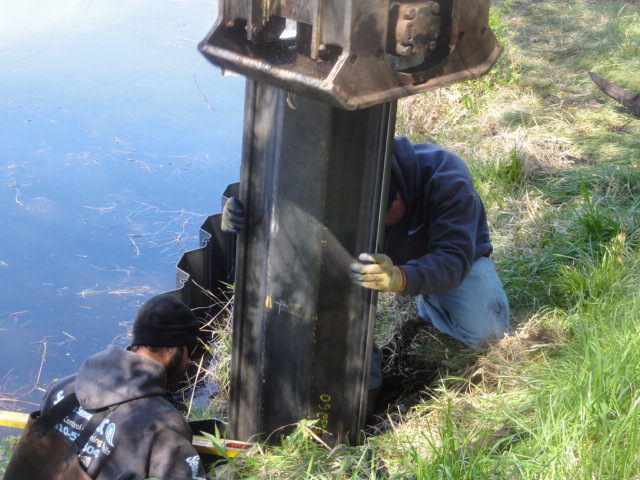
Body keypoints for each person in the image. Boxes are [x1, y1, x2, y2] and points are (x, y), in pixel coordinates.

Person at [220, 137, 512, 391]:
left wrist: (400, 278)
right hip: (375, 260)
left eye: (379, 222)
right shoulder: (342, 178)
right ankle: (368, 382)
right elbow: (284, 189)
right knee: (336, 322)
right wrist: (244, 210)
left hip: (448, 255)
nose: (374, 231)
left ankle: (432, 300)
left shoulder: (446, 179)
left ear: (398, 198)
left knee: (488, 333)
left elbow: (453, 259)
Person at [3, 294, 209, 480]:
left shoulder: (62, 388)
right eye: (189, 351)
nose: (188, 361)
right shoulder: (163, 423)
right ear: (173, 348)